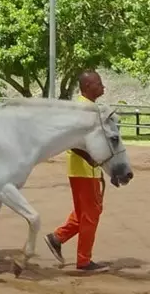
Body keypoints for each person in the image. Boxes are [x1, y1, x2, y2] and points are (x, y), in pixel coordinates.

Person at [44, 70, 110, 273]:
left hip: (86, 170)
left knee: (87, 212)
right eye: (99, 83)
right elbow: (69, 140)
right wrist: (90, 158)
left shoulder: (89, 108)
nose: (103, 86)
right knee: (90, 214)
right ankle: (83, 260)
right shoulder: (82, 110)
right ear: (88, 86)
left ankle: (57, 237)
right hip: (83, 170)